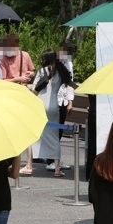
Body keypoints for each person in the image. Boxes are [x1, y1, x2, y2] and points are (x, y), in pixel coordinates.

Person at [31, 49, 74, 177]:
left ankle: (29, 164)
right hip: (54, 106)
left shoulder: (41, 71)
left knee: (36, 134)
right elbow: (70, 84)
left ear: (46, 59)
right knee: (55, 137)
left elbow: (34, 89)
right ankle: (56, 168)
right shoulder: (60, 70)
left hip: (40, 104)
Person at [0, 34, 36, 175]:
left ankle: (29, 163)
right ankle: (9, 160)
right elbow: (1, 80)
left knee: (25, 129)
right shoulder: (1, 59)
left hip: (23, 95)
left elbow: (32, 70)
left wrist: (30, 75)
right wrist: (17, 78)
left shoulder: (25, 55)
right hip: (9, 96)